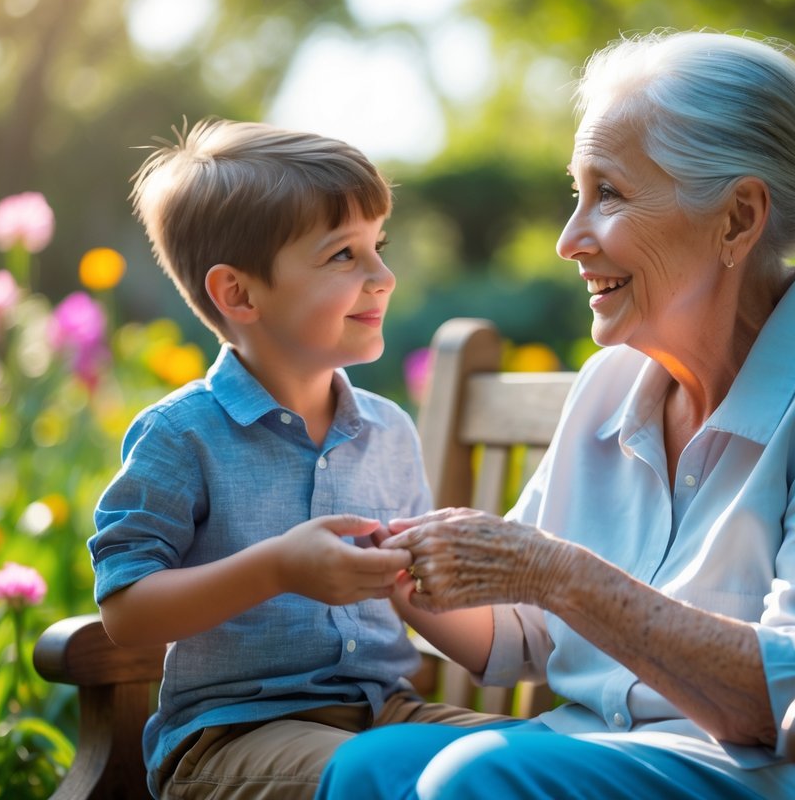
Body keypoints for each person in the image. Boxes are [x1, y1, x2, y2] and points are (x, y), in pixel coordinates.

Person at [317, 30, 795, 799]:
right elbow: (527, 633)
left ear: (736, 219)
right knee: (366, 768)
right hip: (629, 752)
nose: (569, 239)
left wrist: (552, 571)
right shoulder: (611, 382)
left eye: (608, 194)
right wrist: (396, 568)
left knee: (478, 776)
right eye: (577, 193)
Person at [88, 119, 503, 800]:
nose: (382, 276)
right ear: (239, 294)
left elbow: (429, 602)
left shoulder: (387, 430)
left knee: (538, 766)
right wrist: (280, 567)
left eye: (379, 246)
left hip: (383, 713)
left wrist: (427, 579)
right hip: (233, 737)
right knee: (388, 777)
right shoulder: (181, 435)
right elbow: (127, 611)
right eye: (344, 254)